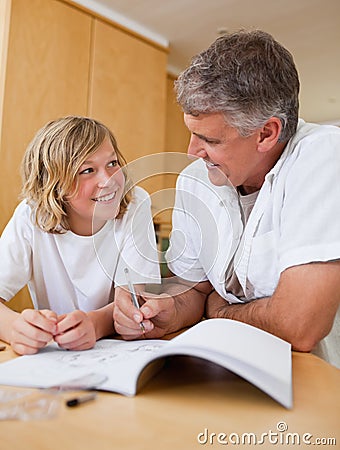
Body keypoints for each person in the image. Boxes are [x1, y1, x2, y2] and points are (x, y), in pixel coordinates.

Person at [113, 30, 340, 368]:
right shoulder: (195, 180)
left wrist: (219, 311)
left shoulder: (323, 156)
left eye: (209, 140)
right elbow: (196, 290)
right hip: (224, 371)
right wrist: (167, 310)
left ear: (266, 133)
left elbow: (299, 326)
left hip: (313, 382)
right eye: (192, 132)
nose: (192, 151)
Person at [0, 116, 160, 355]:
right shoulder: (30, 215)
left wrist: (95, 324)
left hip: (114, 351)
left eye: (113, 163)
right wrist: (12, 327)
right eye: (87, 170)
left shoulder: (136, 203)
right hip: (54, 356)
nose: (108, 181)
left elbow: (132, 302)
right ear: (55, 186)